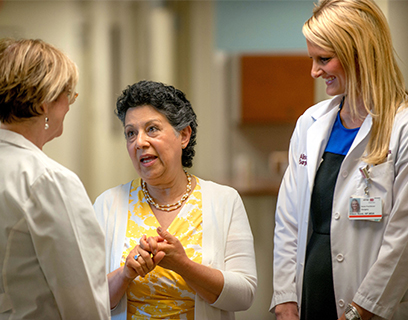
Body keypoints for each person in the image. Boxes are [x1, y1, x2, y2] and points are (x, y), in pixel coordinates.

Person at [0, 38, 110, 319]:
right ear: (45, 103)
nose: (69, 106)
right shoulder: (48, 180)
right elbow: (82, 301)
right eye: (67, 95)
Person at [271, 0, 408, 320]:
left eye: (324, 59)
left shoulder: (402, 128)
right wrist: (285, 300)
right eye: (312, 59)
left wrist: (361, 311)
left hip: (371, 308)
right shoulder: (311, 123)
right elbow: (288, 221)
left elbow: (403, 237)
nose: (314, 71)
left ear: (359, 54)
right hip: (310, 299)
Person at [94, 80, 257, 319]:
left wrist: (183, 265)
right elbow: (86, 299)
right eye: (131, 133)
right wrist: (125, 274)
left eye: (152, 129)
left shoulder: (224, 201)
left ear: (184, 135)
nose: (139, 142)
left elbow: (244, 296)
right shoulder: (108, 204)